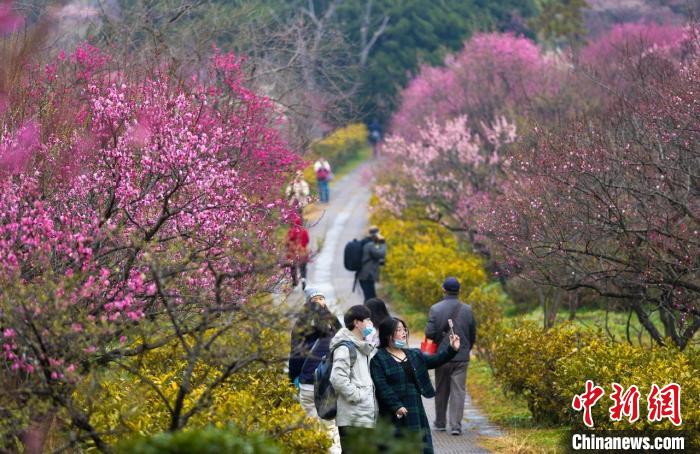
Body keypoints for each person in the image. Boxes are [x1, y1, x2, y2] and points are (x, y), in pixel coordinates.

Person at [371, 317, 460, 454]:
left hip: (414, 409)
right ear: (388, 335)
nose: (404, 333)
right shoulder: (379, 359)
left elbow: (434, 360)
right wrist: (396, 405)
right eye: (399, 330)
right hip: (393, 413)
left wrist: (452, 349)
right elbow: (382, 386)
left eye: (404, 329)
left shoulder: (413, 354)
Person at [289, 287, 342, 453]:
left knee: (319, 426)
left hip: (324, 382)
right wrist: (295, 377)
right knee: (324, 426)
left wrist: (294, 377)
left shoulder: (331, 321)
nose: (319, 301)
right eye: (315, 299)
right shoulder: (306, 324)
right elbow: (296, 354)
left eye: (321, 298)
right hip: (313, 382)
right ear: (308, 302)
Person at [424, 277, 477, 436]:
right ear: (459, 291)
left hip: (442, 356)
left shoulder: (435, 308)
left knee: (441, 389)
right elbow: (472, 333)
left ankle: (440, 423)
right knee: (458, 391)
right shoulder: (467, 310)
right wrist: (467, 348)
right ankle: (456, 426)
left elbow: (430, 333)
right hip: (461, 357)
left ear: (443, 289)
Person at [329, 305, 377, 452]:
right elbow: (337, 379)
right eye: (367, 320)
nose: (371, 324)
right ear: (357, 323)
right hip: (352, 416)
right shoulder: (345, 348)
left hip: (363, 415)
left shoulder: (362, 346)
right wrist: (358, 396)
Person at [357, 226, 387, 301]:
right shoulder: (370, 245)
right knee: (370, 299)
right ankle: (365, 312)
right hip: (367, 276)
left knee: (370, 298)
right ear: (376, 235)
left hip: (365, 275)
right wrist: (383, 243)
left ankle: (367, 312)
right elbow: (381, 253)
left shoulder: (366, 242)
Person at [286, 214, 309, 288]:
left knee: (293, 267)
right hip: (302, 252)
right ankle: (303, 279)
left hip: (293, 253)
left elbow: (287, 242)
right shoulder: (304, 231)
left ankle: (294, 281)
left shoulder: (291, 231)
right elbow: (307, 240)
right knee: (303, 267)